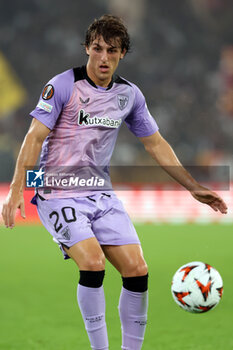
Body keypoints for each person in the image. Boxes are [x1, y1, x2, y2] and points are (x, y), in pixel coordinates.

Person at [2, 14, 227, 350]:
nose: (103, 57)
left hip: (100, 195)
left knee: (137, 270)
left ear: (123, 53)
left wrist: (192, 186)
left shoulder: (129, 95)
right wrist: (17, 190)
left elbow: (156, 144)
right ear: (86, 49)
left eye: (112, 50)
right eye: (97, 49)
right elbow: (34, 138)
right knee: (92, 263)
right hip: (56, 192)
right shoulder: (62, 85)